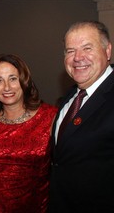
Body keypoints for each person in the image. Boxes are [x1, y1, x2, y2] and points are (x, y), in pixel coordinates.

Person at [49, 21, 114, 212]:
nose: (77, 57)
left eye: (87, 48)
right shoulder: (72, 95)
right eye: (70, 51)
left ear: (107, 51)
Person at [0, 54, 57, 213]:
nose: (7, 87)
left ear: (25, 82)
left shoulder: (50, 117)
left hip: (36, 205)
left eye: (13, 78)